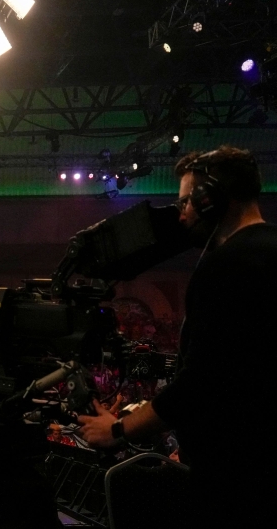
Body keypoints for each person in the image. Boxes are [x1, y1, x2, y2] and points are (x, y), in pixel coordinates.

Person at [79, 146, 275, 525]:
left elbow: (201, 384)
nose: (180, 213)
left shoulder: (228, 265)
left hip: (239, 482)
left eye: (185, 201)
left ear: (210, 199)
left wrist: (117, 429)